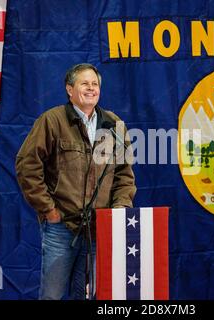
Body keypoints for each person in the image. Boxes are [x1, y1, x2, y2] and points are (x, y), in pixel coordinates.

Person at [15, 63, 136, 300]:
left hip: (99, 229)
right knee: (53, 295)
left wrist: (120, 209)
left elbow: (124, 173)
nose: (91, 88)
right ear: (69, 89)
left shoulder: (113, 124)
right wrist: (49, 210)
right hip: (61, 227)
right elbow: (27, 166)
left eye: (95, 84)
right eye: (84, 83)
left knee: (89, 295)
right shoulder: (52, 120)